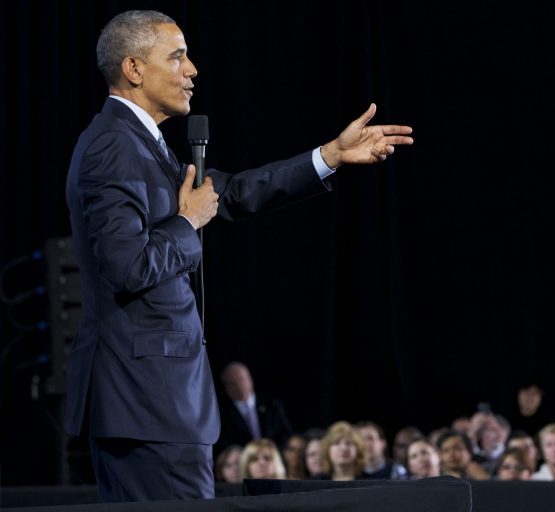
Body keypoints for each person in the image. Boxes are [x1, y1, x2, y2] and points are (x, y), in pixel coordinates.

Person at [64, 9, 414, 502]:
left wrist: (329, 155)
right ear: (134, 68)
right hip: (147, 404)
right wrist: (187, 222)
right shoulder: (111, 147)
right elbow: (126, 267)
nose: (193, 70)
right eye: (178, 56)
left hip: (157, 405)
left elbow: (230, 194)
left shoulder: (140, 143)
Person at [216, 361, 293, 456]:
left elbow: (285, 434)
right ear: (226, 387)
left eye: (241, 380)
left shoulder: (272, 405)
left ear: (250, 379)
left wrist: (271, 453)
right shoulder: (221, 415)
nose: (238, 386)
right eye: (232, 383)